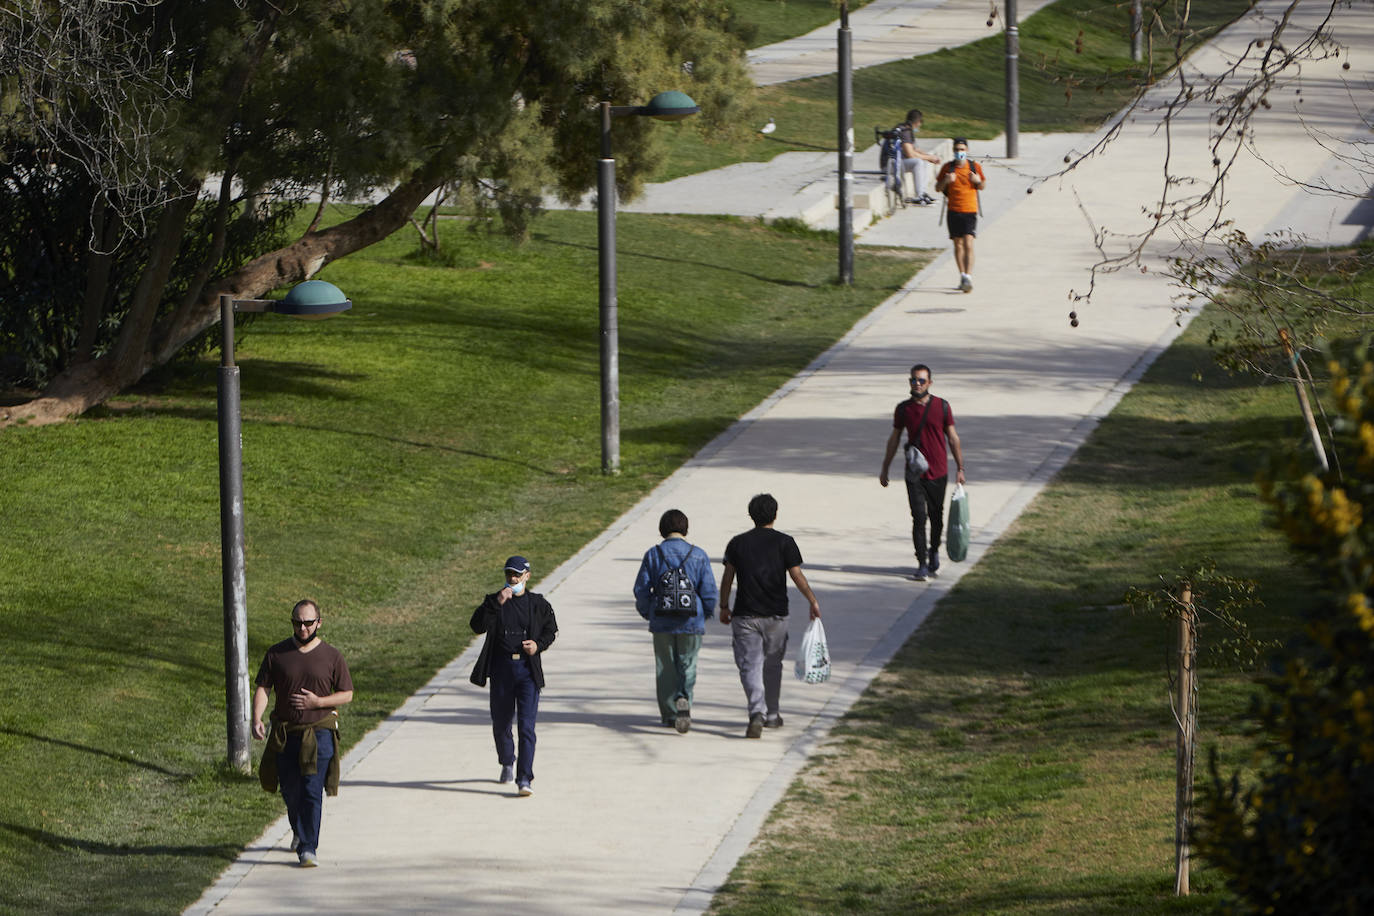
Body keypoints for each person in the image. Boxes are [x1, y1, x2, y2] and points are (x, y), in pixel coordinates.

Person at [252, 599, 354, 868]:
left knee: (311, 790)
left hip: (319, 732)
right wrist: (256, 718)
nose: (303, 628)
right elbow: (264, 687)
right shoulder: (277, 654)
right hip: (285, 732)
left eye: (308, 623)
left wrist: (318, 703)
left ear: (319, 622)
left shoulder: (332, 656)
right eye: (297, 622)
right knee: (290, 789)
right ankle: (299, 829)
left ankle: (308, 848)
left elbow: (347, 694)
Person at [718, 494, 822, 738]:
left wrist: (724, 605)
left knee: (749, 665)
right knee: (773, 665)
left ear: (751, 515)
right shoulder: (785, 542)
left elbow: (727, 578)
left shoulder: (737, 543)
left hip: (745, 615)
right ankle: (773, 715)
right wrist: (812, 600)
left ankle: (757, 711)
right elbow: (797, 576)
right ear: (775, 514)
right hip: (777, 615)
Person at [469, 555, 558, 797]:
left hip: (527, 672)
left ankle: (524, 778)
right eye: (509, 574)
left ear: (527, 576)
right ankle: (507, 761)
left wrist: (538, 645)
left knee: (527, 727)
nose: (513, 579)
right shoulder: (495, 601)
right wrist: (496, 602)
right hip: (501, 671)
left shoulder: (538, 604)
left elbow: (552, 630)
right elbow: (476, 625)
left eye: (517, 575)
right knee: (501, 724)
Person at [633, 509, 720, 733]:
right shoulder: (698, 555)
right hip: (691, 619)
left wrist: (648, 612)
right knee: (688, 663)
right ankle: (684, 698)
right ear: (685, 528)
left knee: (665, 667)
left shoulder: (653, 554)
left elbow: (641, 589)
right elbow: (709, 590)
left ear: (662, 529)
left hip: (662, 620)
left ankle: (670, 714)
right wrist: (706, 612)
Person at [878, 364, 966, 581]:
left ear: (930, 383)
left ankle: (934, 550)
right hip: (914, 473)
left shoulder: (942, 406)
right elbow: (894, 439)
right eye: (913, 380)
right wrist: (885, 467)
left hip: (938, 472)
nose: (917, 384)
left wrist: (960, 468)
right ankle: (922, 562)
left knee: (937, 517)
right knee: (918, 518)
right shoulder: (903, 409)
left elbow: (953, 438)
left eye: (921, 380)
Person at [934, 137, 987, 292]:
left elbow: (982, 185)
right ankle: (962, 275)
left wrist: (977, 180)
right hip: (953, 211)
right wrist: (946, 180)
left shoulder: (974, 167)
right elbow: (938, 188)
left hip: (970, 210)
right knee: (958, 244)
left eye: (962, 150)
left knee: (968, 243)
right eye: (957, 150)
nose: (959, 152)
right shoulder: (947, 168)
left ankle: (968, 276)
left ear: (967, 150)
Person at [897, 108, 942, 205]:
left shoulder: (907, 129)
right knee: (918, 162)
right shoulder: (905, 131)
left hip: (899, 162)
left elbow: (915, 149)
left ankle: (923, 193)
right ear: (918, 122)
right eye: (921, 122)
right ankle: (919, 195)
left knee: (923, 161)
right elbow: (910, 153)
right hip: (892, 165)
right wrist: (929, 158)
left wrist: (930, 156)